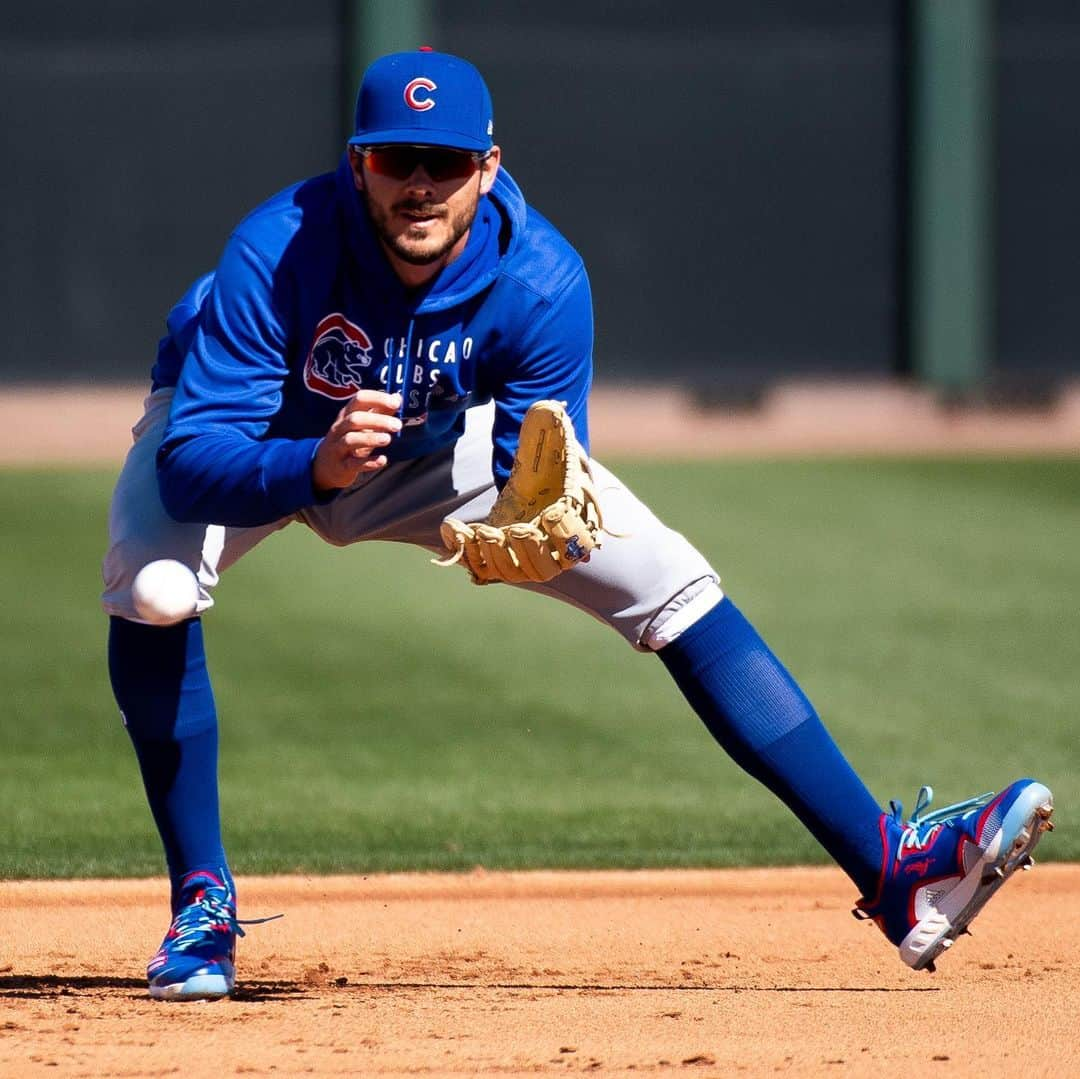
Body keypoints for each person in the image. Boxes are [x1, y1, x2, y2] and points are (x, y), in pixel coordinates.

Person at [102, 48, 1054, 1001]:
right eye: (397, 160)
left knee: (670, 582)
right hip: (248, 433)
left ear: (490, 166)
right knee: (155, 586)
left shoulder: (543, 281)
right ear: (358, 165)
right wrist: (310, 465)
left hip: (415, 450)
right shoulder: (277, 249)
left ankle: (898, 874)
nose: (421, 184)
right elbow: (190, 467)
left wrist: (536, 525)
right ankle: (202, 901)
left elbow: (550, 478)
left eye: (445, 160)